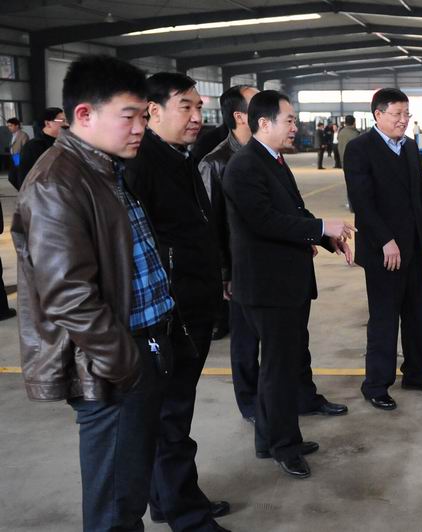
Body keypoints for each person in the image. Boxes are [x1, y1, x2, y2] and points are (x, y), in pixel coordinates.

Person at [13, 54, 170, 532]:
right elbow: (69, 295)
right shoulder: (57, 183)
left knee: (129, 487)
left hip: (136, 347)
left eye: (144, 116)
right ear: (84, 114)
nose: (140, 127)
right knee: (115, 505)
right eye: (129, 116)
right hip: (108, 365)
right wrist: (126, 364)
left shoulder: (103, 169)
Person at [223, 90, 354, 478]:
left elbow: (294, 210)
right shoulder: (244, 166)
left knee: (279, 367)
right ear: (264, 123)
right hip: (268, 285)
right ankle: (284, 446)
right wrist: (321, 226)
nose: (296, 127)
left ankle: (269, 438)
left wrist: (325, 237)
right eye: (290, 120)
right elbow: (264, 220)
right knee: (278, 371)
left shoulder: (273, 160)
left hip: (286, 281)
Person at [125, 72, 230, 531]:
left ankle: (168, 499)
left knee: (173, 413)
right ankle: (188, 516)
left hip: (192, 303)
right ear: (153, 111)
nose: (196, 116)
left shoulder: (180, 156)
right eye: (185, 106)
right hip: (172, 312)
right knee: (171, 416)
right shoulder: (142, 164)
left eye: (199, 108)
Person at [343, 88, 422, 410]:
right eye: (397, 114)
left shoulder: (410, 147)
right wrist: (386, 240)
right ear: (378, 115)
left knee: (417, 314)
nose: (403, 120)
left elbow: (419, 197)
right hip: (382, 251)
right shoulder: (360, 149)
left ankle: (416, 373)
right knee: (384, 319)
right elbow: (362, 202)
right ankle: (375, 385)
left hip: (414, 247)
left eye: (406, 114)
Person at [199, 85, 257, 410]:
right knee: (245, 339)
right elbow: (211, 226)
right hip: (238, 266)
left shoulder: (264, 152)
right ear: (240, 115)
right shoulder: (215, 162)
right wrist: (224, 272)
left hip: (265, 262)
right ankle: (250, 402)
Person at [17, 107, 65, 187]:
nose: (66, 124)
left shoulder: (63, 143)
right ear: (48, 123)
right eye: (62, 121)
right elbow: (23, 177)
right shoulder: (33, 146)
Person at [337, 115, 360, 212]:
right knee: (358, 185)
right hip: (356, 162)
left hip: (344, 162)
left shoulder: (341, 132)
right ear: (354, 122)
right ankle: (356, 206)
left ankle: (352, 206)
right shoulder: (355, 134)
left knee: (349, 184)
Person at [6, 117, 28, 187]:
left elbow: (25, 148)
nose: (9, 128)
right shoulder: (13, 135)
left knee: (17, 176)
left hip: (18, 157)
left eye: (11, 126)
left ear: (17, 126)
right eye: (8, 126)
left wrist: (20, 158)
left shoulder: (23, 135)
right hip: (13, 157)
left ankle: (21, 189)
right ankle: (20, 188)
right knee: (12, 177)